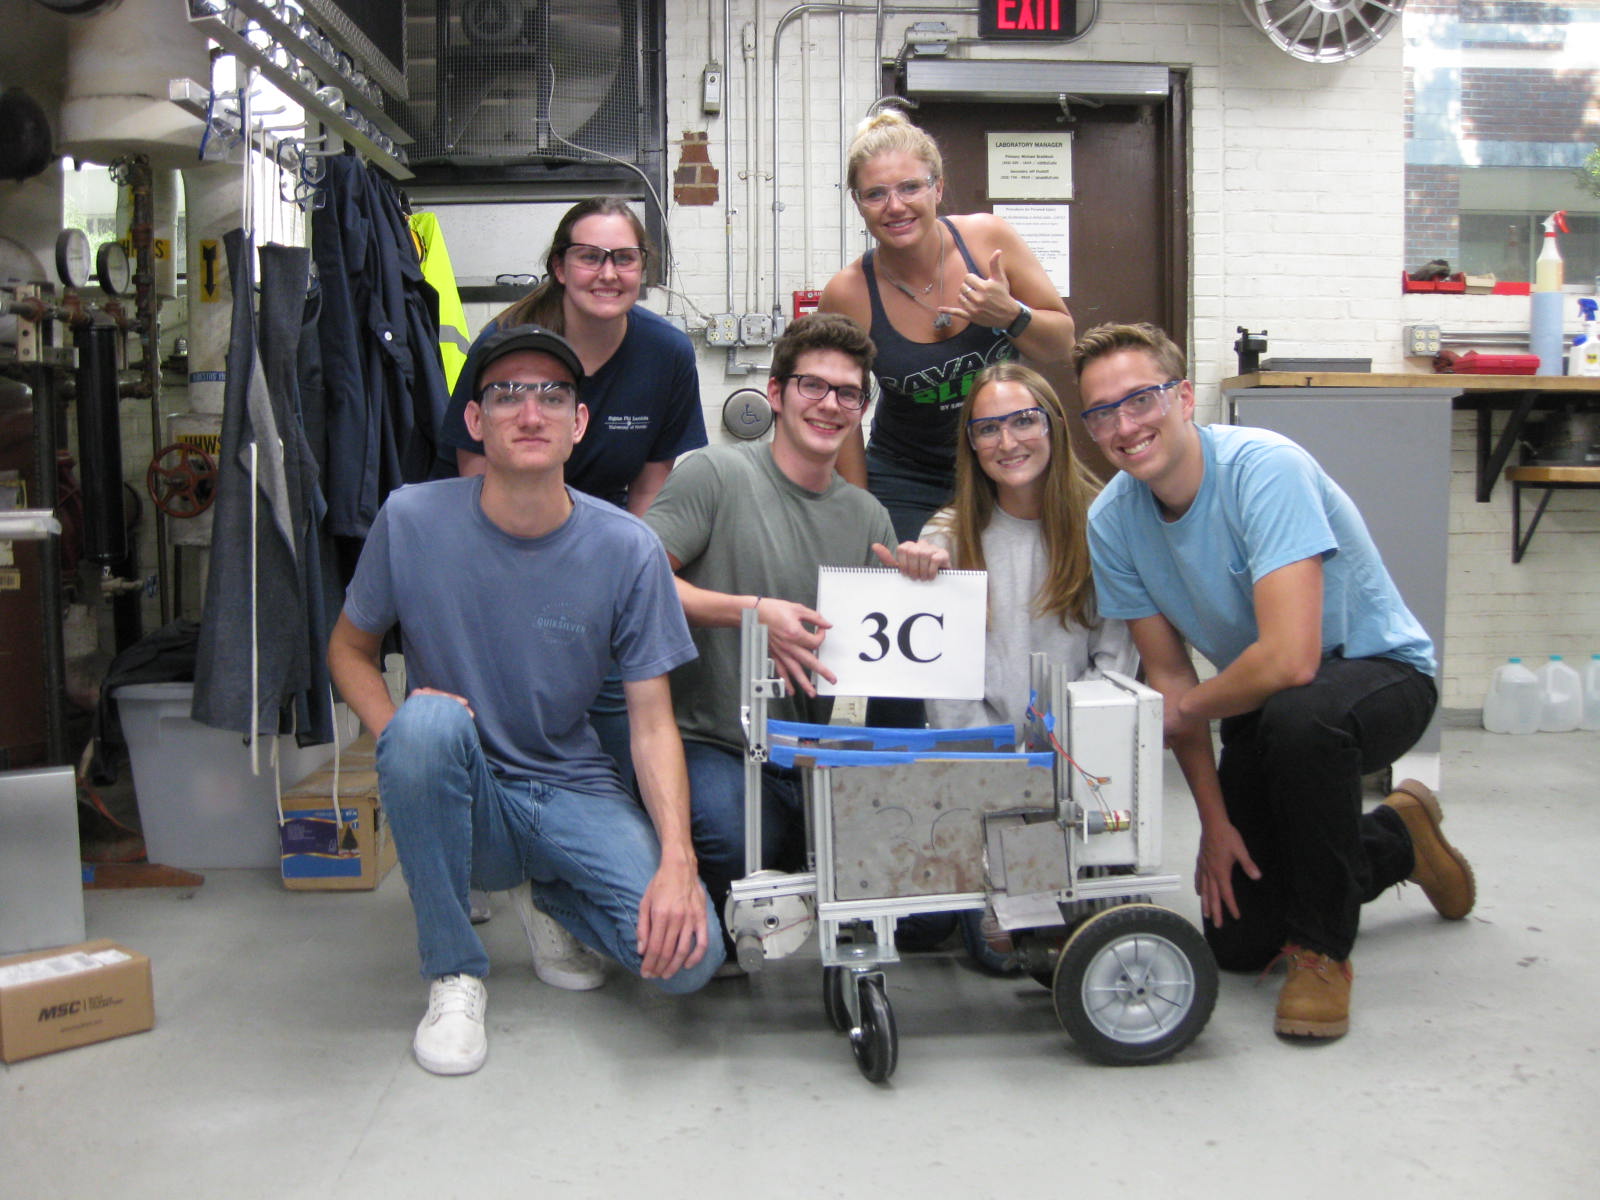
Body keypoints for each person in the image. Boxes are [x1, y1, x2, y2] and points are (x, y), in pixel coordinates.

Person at [327, 324, 721, 1077]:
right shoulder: (411, 520)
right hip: (465, 787)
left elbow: (651, 723)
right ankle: (454, 971)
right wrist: (403, 740)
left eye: (553, 395)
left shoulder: (627, 548)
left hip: (571, 788)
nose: (531, 412)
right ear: (475, 422)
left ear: (580, 422)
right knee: (426, 724)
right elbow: (348, 649)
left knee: (687, 960)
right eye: (507, 395)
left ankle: (550, 898)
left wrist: (678, 859)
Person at [1072, 322, 1475, 1041]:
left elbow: (1290, 659)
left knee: (1301, 718)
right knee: (1239, 941)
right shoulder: (1112, 522)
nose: (1124, 426)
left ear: (1183, 398)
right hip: (1264, 700)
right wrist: (1215, 824)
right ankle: (1400, 839)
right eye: (1102, 413)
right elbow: (1169, 677)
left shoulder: (1265, 468)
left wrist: (1189, 709)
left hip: (1379, 674)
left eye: (1139, 400)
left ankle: (1322, 954)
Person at [643, 313, 926, 959]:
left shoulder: (867, 515)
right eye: (812, 386)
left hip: (814, 751)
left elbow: (889, 650)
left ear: (862, 410)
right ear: (776, 393)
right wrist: (751, 613)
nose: (830, 404)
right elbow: (639, 586)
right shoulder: (715, 474)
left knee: (909, 899)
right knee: (745, 844)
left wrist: (922, 576)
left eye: (848, 393)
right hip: (716, 742)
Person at [437, 197, 708, 791]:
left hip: (599, 556)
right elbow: (476, 477)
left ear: (644, 268)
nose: (608, 273)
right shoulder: (505, 344)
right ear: (560, 267)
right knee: (508, 727)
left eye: (624, 258)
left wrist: (622, 582)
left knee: (614, 731)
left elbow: (650, 489)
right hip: (504, 551)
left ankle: (611, 820)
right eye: (590, 257)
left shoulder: (666, 354)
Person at [895, 361, 1136, 969]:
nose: (1007, 442)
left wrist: (1058, 759)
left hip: (1077, 766)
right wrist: (1005, 771)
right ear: (971, 446)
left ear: (1053, 425)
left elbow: (1114, 663)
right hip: (986, 773)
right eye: (987, 429)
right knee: (1007, 954)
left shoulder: (1104, 525)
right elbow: (948, 696)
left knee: (1075, 941)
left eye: (1024, 421)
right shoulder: (946, 537)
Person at [818, 108, 1076, 545]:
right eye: (875, 194)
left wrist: (1011, 316)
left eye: (910, 187)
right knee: (908, 579)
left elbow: (1062, 345)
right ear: (858, 203)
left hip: (1006, 457)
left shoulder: (988, 240)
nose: (895, 206)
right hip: (906, 477)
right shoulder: (848, 294)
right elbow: (840, 411)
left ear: (937, 187)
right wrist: (860, 508)